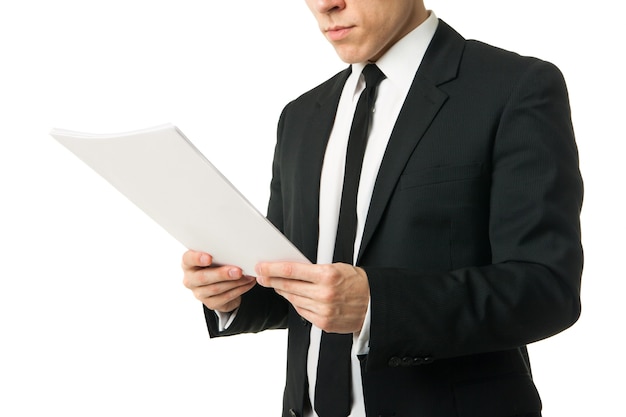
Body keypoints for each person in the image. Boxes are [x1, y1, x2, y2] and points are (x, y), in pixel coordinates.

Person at [182, 1, 583, 416]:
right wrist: (230, 294)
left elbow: (547, 289)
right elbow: (298, 286)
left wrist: (378, 304)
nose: (325, 4)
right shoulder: (300, 116)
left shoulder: (516, 87)